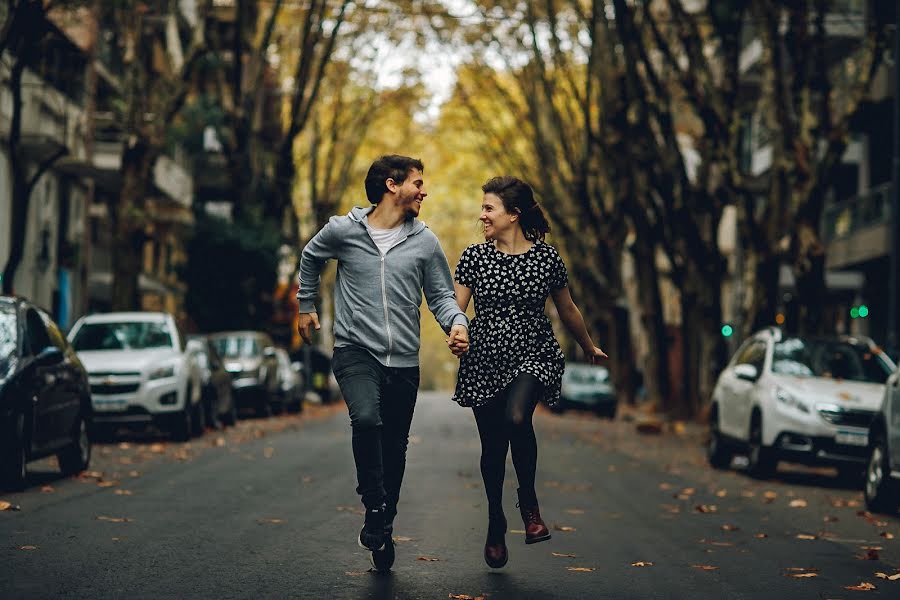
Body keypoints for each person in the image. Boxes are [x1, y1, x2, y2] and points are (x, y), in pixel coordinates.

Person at [296, 155, 469, 572]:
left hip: (404, 360)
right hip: (355, 349)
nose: (423, 191)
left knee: (394, 447)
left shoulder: (425, 240)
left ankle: (382, 522)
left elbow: (442, 296)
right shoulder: (343, 230)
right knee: (367, 419)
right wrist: (306, 305)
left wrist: (457, 324)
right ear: (393, 186)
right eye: (418, 183)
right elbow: (310, 256)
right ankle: (373, 500)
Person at [450, 176, 606, 569]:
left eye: (489, 208)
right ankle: (495, 522)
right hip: (484, 358)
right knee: (492, 450)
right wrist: (457, 331)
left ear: (513, 214)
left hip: (533, 352)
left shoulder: (547, 259)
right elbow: (456, 308)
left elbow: (567, 308)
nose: (481, 215)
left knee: (518, 417)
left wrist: (587, 344)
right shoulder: (474, 257)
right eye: (482, 207)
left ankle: (530, 507)